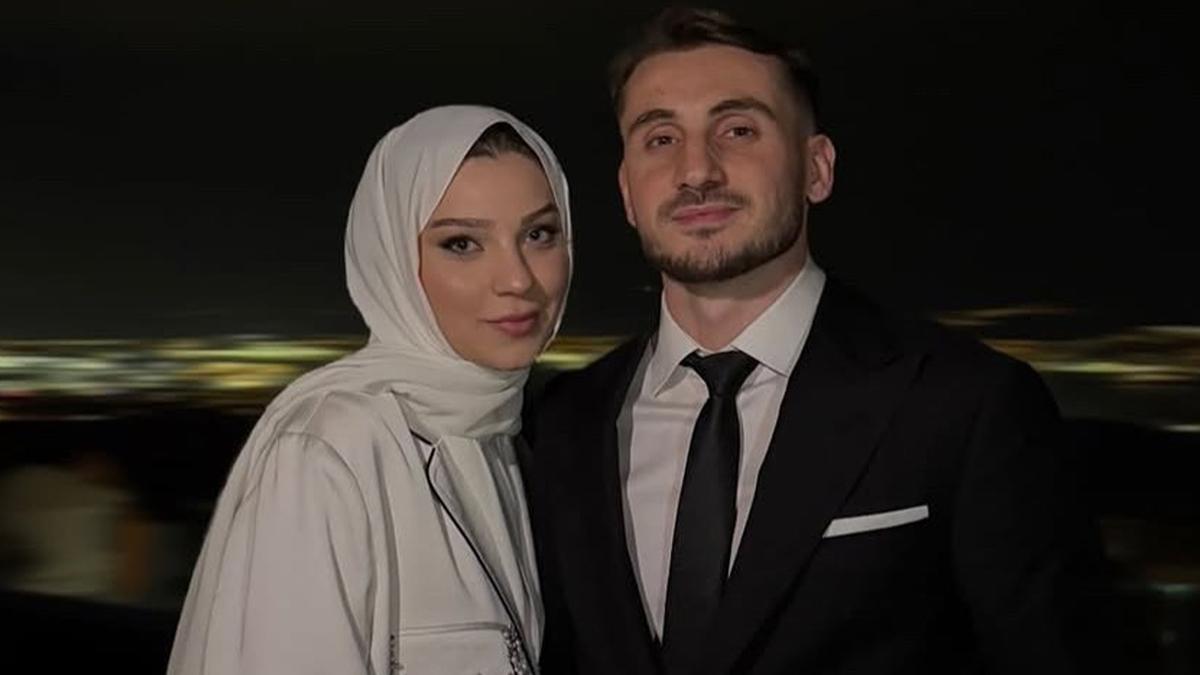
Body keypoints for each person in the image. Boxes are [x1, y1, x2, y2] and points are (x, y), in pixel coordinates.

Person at [523, 8, 1107, 674]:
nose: (696, 170)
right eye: (660, 138)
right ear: (628, 191)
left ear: (816, 168)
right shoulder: (563, 424)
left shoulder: (965, 405)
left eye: (737, 130)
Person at [168, 105, 571, 674]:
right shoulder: (329, 450)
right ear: (393, 261)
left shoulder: (499, 436)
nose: (517, 279)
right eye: (462, 243)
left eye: (538, 234)